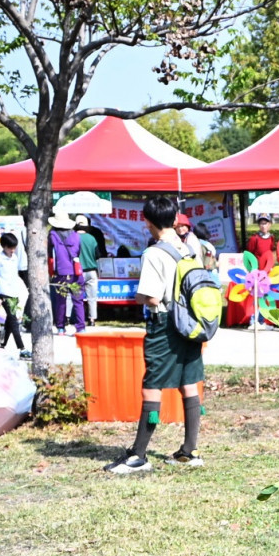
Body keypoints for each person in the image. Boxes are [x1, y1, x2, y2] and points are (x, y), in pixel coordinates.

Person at [105, 196, 203, 474]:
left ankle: (138, 455)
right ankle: (190, 450)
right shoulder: (188, 246)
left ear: (146, 221)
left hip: (164, 324)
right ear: (175, 220)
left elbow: (150, 296)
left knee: (152, 385)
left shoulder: (153, 253)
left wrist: (135, 296)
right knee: (189, 381)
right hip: (190, 322)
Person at [0, 232, 30, 358]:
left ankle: (2, 345)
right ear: (4, 246)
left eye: (14, 247)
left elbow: (15, 276)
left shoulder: (14, 258)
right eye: (10, 247)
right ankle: (22, 348)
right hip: (4, 294)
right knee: (14, 321)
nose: (12, 250)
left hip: (14, 293)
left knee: (9, 321)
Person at [48, 213, 85, 335]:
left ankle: (60, 327)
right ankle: (81, 327)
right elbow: (78, 252)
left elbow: (49, 253)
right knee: (78, 300)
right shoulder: (76, 235)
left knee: (61, 301)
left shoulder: (52, 235)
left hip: (61, 273)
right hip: (76, 273)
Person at [75, 215, 100, 326]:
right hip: (91, 271)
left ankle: (71, 318)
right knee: (92, 297)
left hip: (77, 271)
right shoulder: (92, 238)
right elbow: (98, 255)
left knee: (75, 297)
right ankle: (92, 320)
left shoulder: (72, 237)